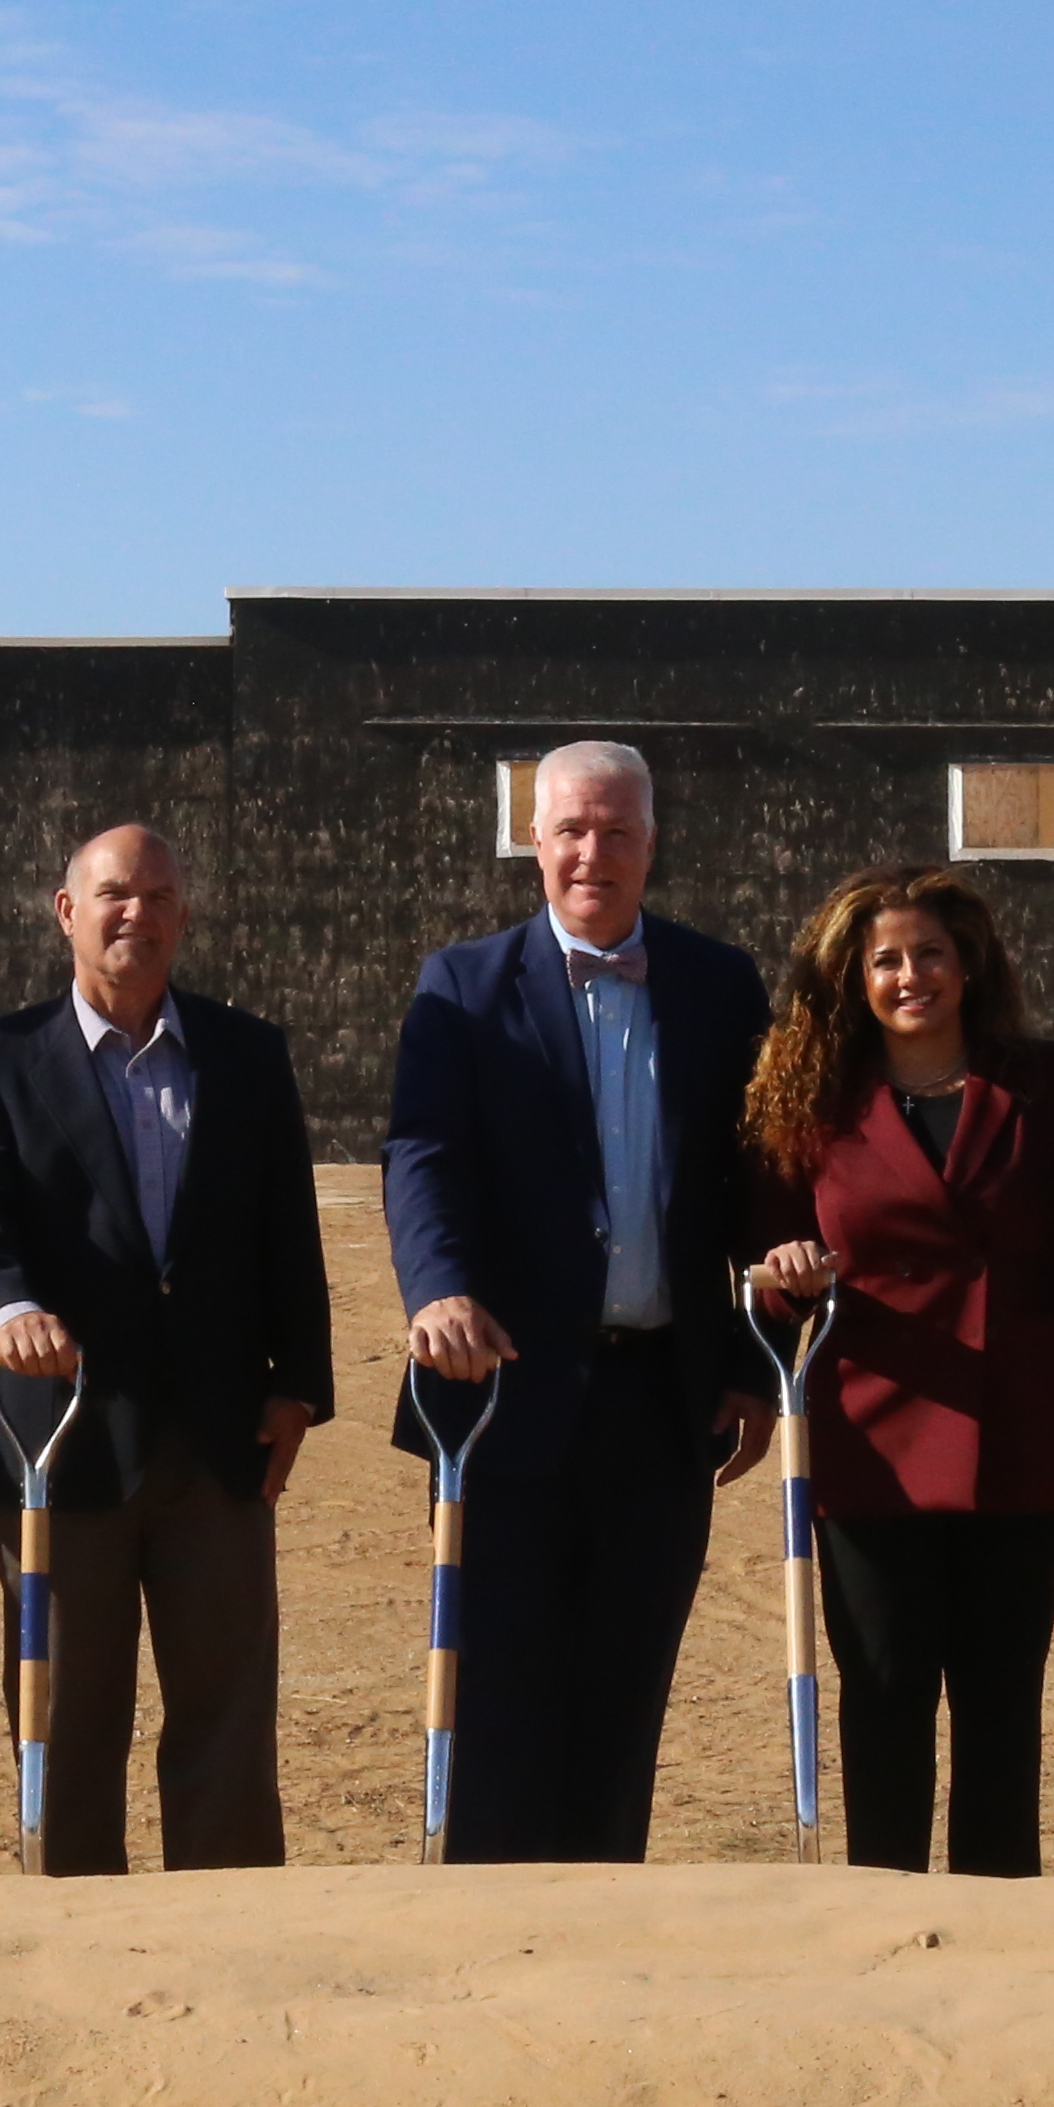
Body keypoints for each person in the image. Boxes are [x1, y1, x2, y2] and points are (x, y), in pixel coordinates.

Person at [383, 739, 775, 1864]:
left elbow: (750, 1178)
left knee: (624, 1695)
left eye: (615, 831)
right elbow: (423, 1157)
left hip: (665, 1404)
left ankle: (606, 1933)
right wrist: (439, 1287)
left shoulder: (719, 984)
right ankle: (491, 1948)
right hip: (503, 1395)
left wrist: (749, 1364)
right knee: (499, 1692)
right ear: (535, 843)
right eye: (570, 831)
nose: (591, 852)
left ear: (652, 844)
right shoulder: (462, 985)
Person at [0, 823, 332, 1874]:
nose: (134, 915)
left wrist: (300, 1390)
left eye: (157, 898)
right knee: (64, 1720)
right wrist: (4, 1311)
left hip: (218, 1442)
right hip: (59, 1444)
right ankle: (70, 1947)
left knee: (228, 1723)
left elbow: (288, 1228)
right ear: (68, 911)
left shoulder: (248, 1056)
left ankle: (231, 1941)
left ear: (183, 919)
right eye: (113, 894)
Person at [738, 865, 1054, 1877]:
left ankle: (1001, 1929)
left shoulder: (1043, 1082)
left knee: (1005, 1710)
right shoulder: (812, 1100)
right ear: (853, 980)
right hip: (873, 1445)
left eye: (930, 953)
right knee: (882, 1702)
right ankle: (884, 1917)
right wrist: (780, 1277)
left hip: (1026, 1441)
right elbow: (770, 1269)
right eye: (886, 960)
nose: (911, 974)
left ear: (969, 965)